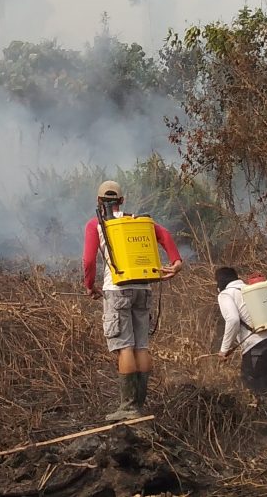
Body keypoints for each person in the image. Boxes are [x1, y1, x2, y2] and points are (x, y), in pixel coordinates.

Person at [82, 180, 184, 421]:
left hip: (117, 290)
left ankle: (127, 408)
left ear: (98, 201)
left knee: (124, 346)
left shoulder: (96, 223)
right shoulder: (137, 220)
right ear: (122, 201)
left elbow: (88, 262)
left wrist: (89, 286)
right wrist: (177, 262)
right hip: (144, 287)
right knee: (141, 346)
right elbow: (165, 234)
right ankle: (139, 404)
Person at [214, 267, 267, 403]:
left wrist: (224, 350)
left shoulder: (226, 294)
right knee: (264, 387)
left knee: (250, 388)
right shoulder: (250, 290)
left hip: (257, 347)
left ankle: (263, 419)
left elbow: (233, 320)